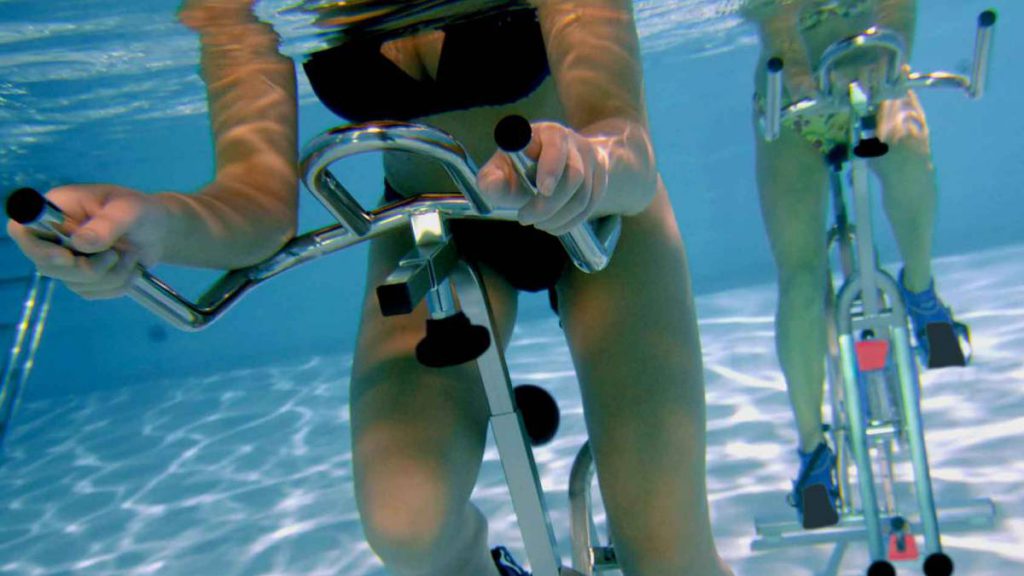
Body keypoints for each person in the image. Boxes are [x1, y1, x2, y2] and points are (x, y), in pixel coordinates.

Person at [7, 1, 733, 574]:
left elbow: (628, 146)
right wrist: (155, 226)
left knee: (669, 556)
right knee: (407, 529)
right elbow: (255, 208)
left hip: (601, 216)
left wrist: (590, 164)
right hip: (429, 233)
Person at [741, 0, 966, 529]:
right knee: (799, 278)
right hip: (802, 98)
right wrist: (803, 69)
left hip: (863, 84)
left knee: (908, 166)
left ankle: (919, 290)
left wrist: (891, 47)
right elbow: (776, 23)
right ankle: (814, 451)